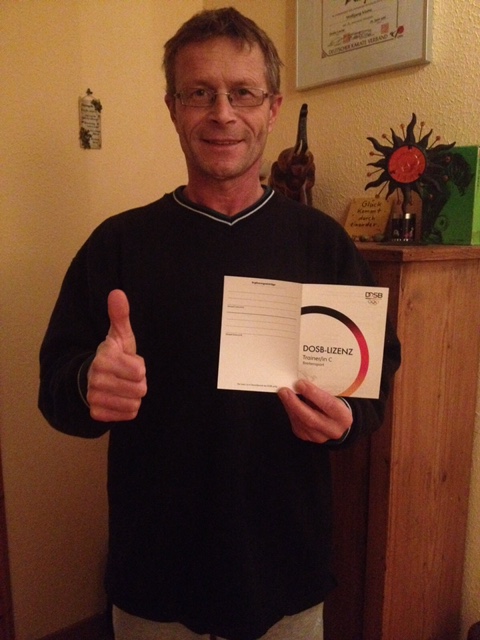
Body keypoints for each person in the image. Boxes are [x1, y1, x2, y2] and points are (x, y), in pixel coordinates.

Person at [38, 7, 400, 640]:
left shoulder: (323, 244)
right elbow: (55, 387)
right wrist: (88, 383)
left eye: (243, 93)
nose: (223, 113)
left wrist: (346, 420)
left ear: (273, 107)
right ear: (173, 108)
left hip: (286, 571)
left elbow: (375, 374)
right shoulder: (117, 245)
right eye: (200, 93)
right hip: (154, 575)